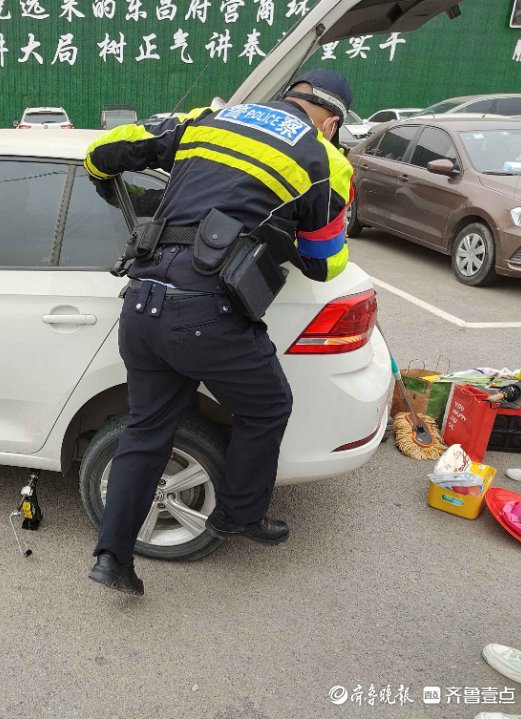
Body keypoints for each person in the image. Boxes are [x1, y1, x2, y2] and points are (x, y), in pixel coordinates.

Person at [84, 69, 355, 596]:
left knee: (146, 432)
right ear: (332, 121)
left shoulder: (206, 120)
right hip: (207, 315)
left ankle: (113, 558)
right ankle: (238, 514)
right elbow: (326, 263)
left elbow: (104, 152)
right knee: (268, 405)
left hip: (142, 305)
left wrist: (114, 189)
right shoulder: (324, 159)